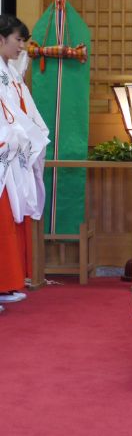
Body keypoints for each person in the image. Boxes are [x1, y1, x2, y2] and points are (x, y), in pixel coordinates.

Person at [0, 15, 50, 309]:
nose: (22, 46)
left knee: (11, 219)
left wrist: (31, 136)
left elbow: (24, 111)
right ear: (1, 39)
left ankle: (6, 283)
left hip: (11, 153)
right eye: (18, 40)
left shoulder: (10, 72)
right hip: (4, 149)